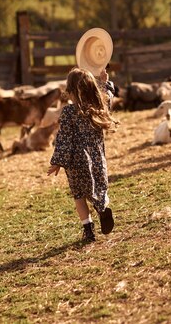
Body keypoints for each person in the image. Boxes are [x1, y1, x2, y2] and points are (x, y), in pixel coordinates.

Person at [47, 67, 118, 242]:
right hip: (97, 159)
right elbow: (108, 96)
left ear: (70, 90)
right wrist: (104, 82)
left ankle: (88, 230)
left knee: (79, 196)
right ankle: (102, 208)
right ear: (91, 87)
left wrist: (57, 161)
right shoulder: (98, 107)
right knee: (99, 188)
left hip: (76, 163)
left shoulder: (69, 112)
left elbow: (63, 138)